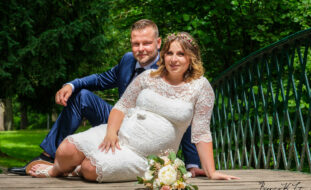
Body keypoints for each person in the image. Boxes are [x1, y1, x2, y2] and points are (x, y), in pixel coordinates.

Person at [27, 32, 239, 182]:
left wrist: (209, 171)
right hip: (120, 134)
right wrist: (111, 133)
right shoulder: (149, 76)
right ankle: (56, 169)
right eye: (170, 53)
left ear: (191, 58)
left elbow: (201, 132)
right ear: (163, 55)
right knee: (65, 150)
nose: (174, 59)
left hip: (145, 155)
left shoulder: (201, 87)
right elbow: (121, 106)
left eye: (181, 54)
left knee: (92, 169)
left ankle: (78, 170)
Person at [8, 19, 203, 177]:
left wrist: (193, 163)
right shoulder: (127, 60)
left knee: (94, 167)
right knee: (82, 96)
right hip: (118, 122)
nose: (141, 48)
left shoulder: (171, 67)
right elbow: (101, 79)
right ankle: (48, 156)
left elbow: (184, 118)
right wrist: (71, 84)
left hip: (146, 137)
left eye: (147, 43)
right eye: (136, 43)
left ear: (158, 43)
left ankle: (82, 165)